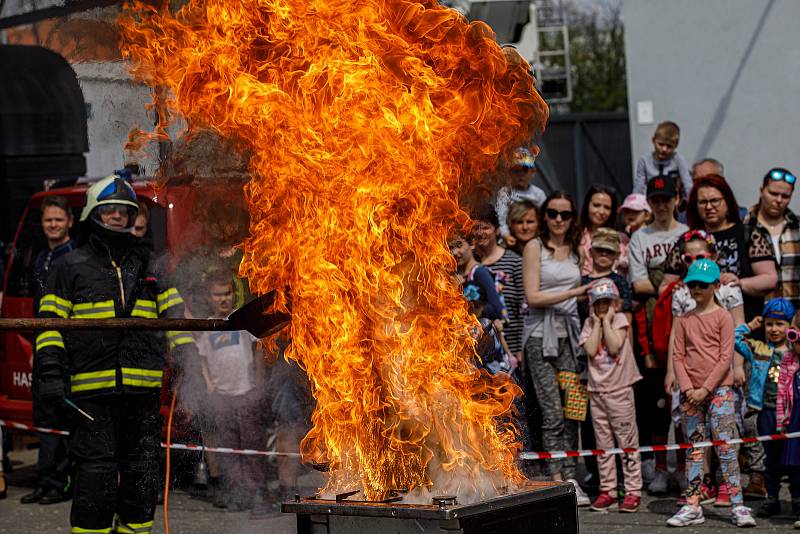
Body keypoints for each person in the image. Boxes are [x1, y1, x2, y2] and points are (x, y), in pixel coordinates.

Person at [35, 174, 198, 533]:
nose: (116, 217)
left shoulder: (151, 266)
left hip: (142, 394)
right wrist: (49, 373)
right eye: (108, 210)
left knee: (142, 473)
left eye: (123, 211)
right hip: (91, 394)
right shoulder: (69, 266)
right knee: (97, 476)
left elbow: (175, 320)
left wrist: (189, 362)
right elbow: (50, 327)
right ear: (94, 213)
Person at [661, 175, 778, 498]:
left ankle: (742, 484)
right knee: (696, 431)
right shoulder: (685, 264)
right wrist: (673, 370)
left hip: (730, 352)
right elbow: (668, 290)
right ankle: (703, 485)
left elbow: (769, 279)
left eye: (715, 200)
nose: (709, 206)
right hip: (692, 356)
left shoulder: (747, 232)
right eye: (702, 201)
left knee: (734, 422)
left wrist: (736, 282)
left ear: (727, 200)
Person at [667, 259, 756, 528]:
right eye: (692, 284)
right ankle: (692, 504)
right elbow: (678, 356)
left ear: (715, 286)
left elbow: (724, 356)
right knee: (694, 450)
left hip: (719, 391)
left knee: (725, 447)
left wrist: (705, 388)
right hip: (690, 394)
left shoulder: (723, 317)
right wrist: (688, 388)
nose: (696, 289)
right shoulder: (683, 320)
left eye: (702, 285)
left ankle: (737, 503)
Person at [522, 191, 590, 506]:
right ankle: (557, 479)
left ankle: (571, 473)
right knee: (551, 411)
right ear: (544, 216)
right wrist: (574, 292)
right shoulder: (535, 247)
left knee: (574, 408)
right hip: (540, 336)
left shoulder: (576, 248)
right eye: (552, 213)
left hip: (570, 337)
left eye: (565, 214)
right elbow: (533, 297)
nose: (559, 220)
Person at [626, 176, 688, 495]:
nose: (662, 205)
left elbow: (699, 282)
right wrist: (674, 285)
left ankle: (686, 468)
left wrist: (664, 285)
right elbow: (637, 285)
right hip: (652, 330)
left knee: (686, 404)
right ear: (649, 203)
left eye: (667, 198)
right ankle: (662, 469)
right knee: (658, 406)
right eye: (656, 199)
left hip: (685, 327)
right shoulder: (640, 237)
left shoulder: (686, 234)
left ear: (676, 199)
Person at [22, 196, 77, 506]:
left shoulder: (74, 257)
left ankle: (60, 482)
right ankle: (44, 481)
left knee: (61, 417)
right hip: (42, 348)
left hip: (64, 352)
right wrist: (36, 348)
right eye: (48, 220)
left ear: (69, 221)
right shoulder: (42, 257)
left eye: (58, 219)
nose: (53, 225)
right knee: (42, 419)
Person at [198, 269, 265, 510]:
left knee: (252, 446)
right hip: (222, 398)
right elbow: (202, 359)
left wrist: (257, 384)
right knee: (229, 447)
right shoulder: (206, 326)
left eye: (227, 293)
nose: (223, 299)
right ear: (209, 297)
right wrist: (209, 385)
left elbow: (258, 353)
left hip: (245, 393)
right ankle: (237, 493)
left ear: (233, 294)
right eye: (217, 295)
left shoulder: (243, 319)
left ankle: (256, 492)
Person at [581, 279, 642, 513]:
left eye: (607, 302)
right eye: (598, 303)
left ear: (615, 303)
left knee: (627, 443)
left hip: (620, 390)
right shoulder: (589, 323)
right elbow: (590, 349)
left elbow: (615, 346)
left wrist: (607, 320)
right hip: (597, 392)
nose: (602, 306)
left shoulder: (620, 320)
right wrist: (596, 322)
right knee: (603, 445)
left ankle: (633, 489)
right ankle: (608, 489)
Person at [734, 298, 798, 518]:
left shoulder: (796, 352)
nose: (774, 329)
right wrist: (751, 325)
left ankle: (796, 498)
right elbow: (735, 339)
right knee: (770, 459)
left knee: (793, 460)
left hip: (791, 414)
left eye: (780, 324)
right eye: (769, 324)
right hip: (767, 412)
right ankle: (772, 499)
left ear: (790, 325)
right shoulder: (759, 348)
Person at [472, 205, 525, 363]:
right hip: (478, 351)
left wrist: (521, 348)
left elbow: (524, 308)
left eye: (486, 227)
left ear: (496, 230)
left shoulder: (514, 262)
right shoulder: (468, 266)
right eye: (476, 228)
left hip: (511, 347)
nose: (481, 233)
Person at [743, 168, 800, 311]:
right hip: (757, 316)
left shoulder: (797, 227)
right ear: (762, 190)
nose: (779, 200)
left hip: (795, 318)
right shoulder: (744, 227)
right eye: (773, 194)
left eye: (785, 196)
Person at [495, 147, 546, 247]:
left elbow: (544, 218)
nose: (521, 174)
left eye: (525, 170)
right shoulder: (505, 192)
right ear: (509, 173)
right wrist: (506, 235)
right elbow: (500, 218)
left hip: (535, 237)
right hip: (510, 238)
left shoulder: (538, 194)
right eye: (516, 170)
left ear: (532, 172)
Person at [776, 314, 800, 529]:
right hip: (794, 418)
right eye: (794, 338)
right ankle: (797, 504)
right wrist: (781, 420)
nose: (797, 345)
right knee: (794, 465)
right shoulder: (788, 358)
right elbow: (782, 391)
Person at [633, 121, 693, 200]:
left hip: (673, 203)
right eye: (661, 144)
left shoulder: (678, 159)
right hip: (652, 201)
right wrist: (636, 203)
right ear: (653, 140)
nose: (664, 149)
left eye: (669, 146)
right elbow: (639, 186)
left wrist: (691, 203)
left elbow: (687, 184)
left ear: (676, 145)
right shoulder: (644, 161)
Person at [578, 185, 629, 277]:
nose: (601, 211)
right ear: (587, 206)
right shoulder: (575, 236)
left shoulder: (622, 240)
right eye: (596, 205)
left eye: (607, 207)